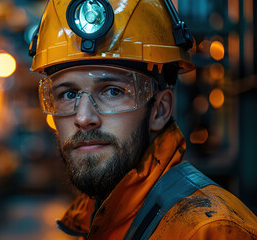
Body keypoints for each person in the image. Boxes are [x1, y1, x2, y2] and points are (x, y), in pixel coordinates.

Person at [28, 0, 257, 239]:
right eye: (69, 94)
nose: (84, 117)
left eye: (113, 91)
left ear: (160, 109)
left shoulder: (210, 231)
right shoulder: (95, 220)